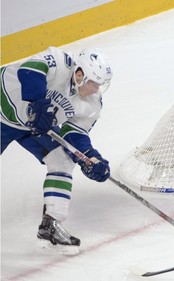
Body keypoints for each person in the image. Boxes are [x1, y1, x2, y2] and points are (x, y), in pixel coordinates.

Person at [1, 46, 113, 253]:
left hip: (33, 126)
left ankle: (50, 225)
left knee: (62, 161)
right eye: (93, 83)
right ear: (79, 74)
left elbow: (74, 134)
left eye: (99, 85)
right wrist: (37, 103)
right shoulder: (59, 60)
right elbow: (30, 70)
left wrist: (90, 158)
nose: (95, 89)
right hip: (3, 111)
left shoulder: (92, 103)